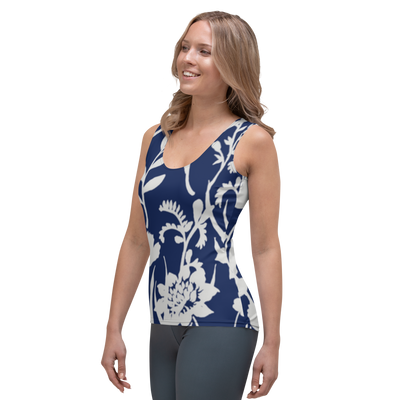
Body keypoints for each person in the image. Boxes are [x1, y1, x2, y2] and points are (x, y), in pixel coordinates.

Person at [99, 7, 284, 400]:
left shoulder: (252, 142)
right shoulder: (153, 137)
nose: (188, 58)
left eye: (204, 51)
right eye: (185, 47)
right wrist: (113, 328)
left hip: (223, 317)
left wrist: (273, 343)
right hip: (160, 320)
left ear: (232, 64)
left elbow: (266, 247)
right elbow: (135, 239)